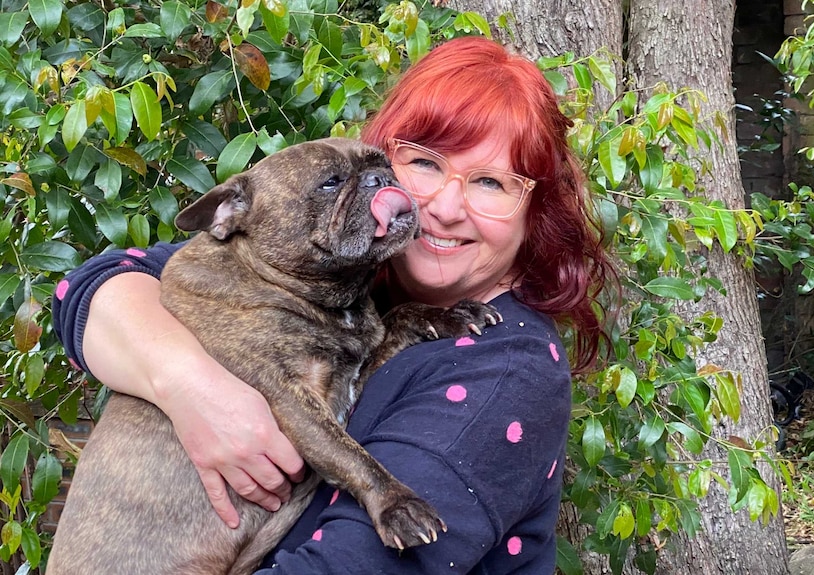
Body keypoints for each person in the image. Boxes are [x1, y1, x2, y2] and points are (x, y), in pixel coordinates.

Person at [52, 36, 615, 574]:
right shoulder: (330, 271)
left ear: (534, 211)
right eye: (423, 163)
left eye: (491, 182)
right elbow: (89, 287)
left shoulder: (507, 371)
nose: (445, 206)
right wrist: (187, 384)